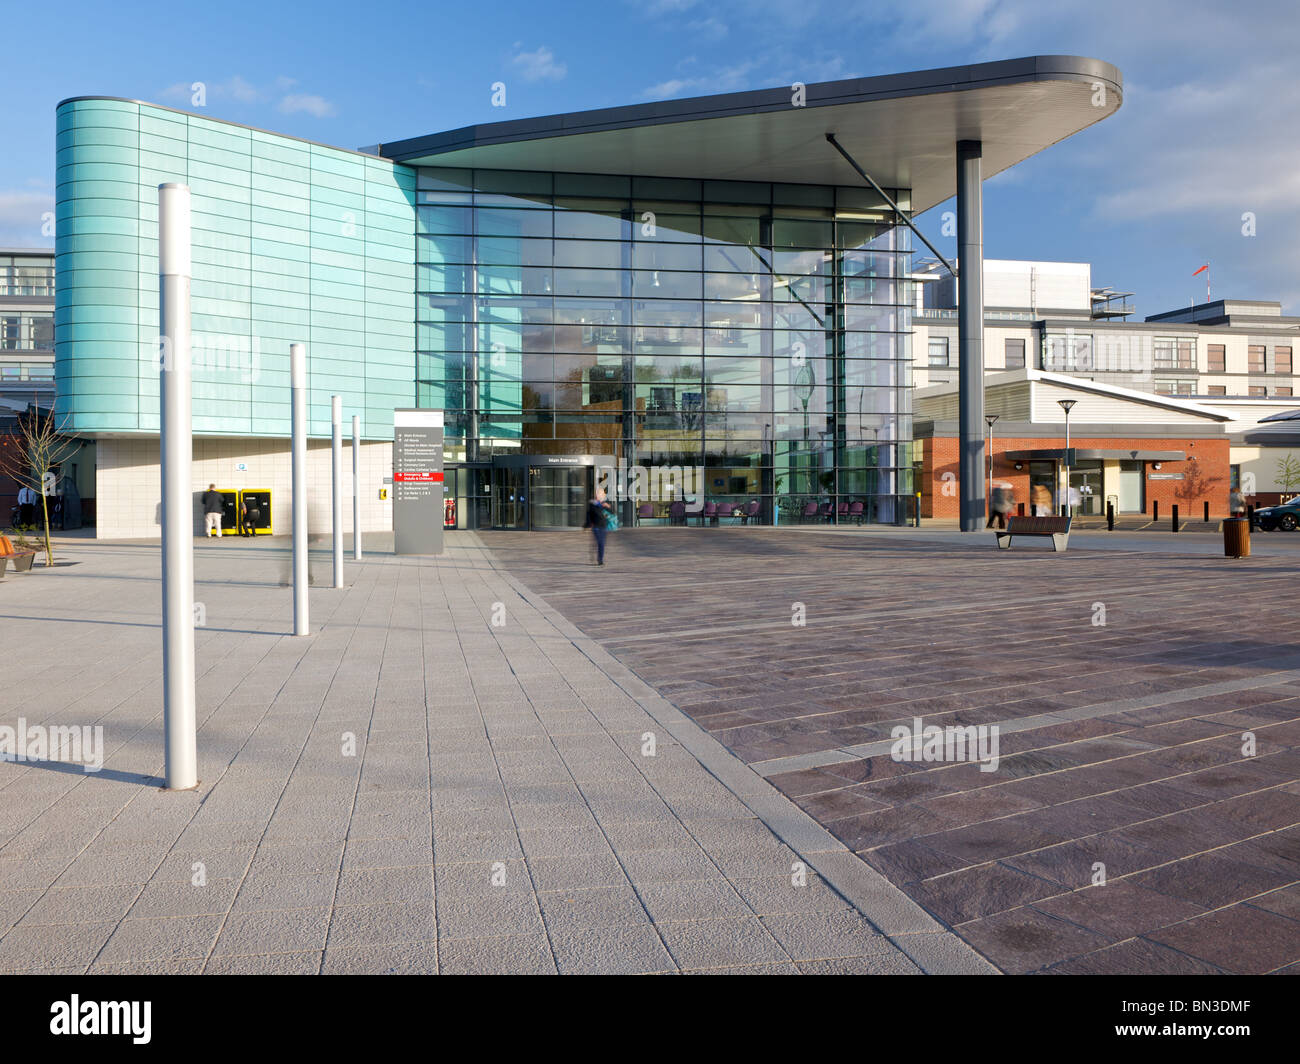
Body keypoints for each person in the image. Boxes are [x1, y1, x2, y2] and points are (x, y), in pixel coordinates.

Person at [583, 488, 613, 566]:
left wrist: (608, 507)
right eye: (599, 494)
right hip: (596, 526)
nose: (601, 495)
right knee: (600, 542)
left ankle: (599, 558)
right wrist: (587, 525)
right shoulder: (592, 504)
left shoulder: (605, 504)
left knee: (601, 543)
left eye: (602, 494)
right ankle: (600, 560)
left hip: (604, 526)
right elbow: (589, 515)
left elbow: (613, 513)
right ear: (596, 495)